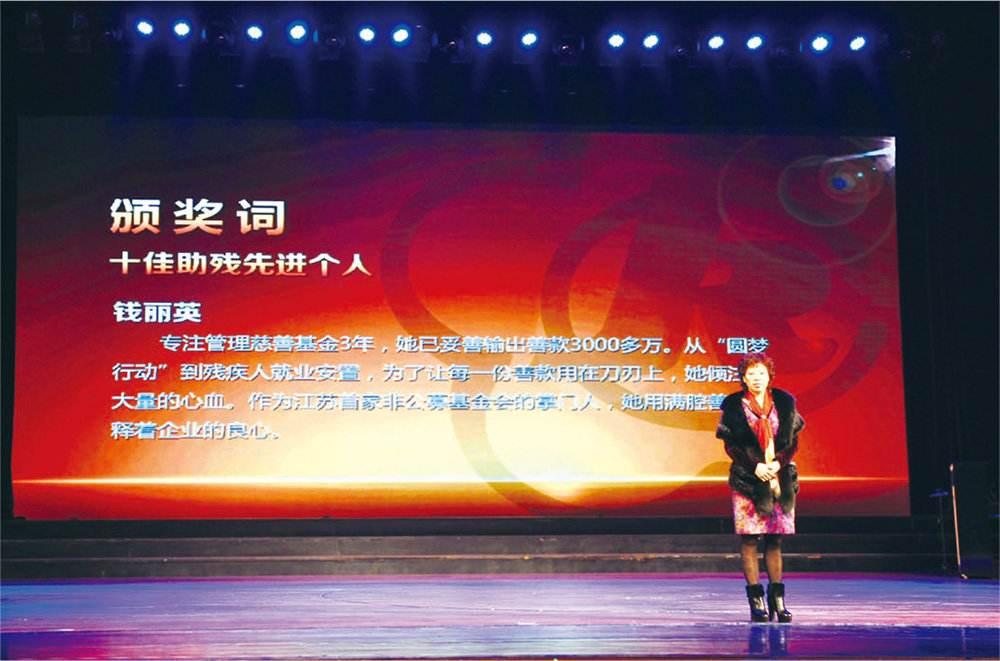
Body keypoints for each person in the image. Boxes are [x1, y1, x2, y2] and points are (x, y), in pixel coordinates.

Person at [716, 353, 804, 623]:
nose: (757, 378)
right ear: (744, 378)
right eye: (751, 373)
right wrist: (754, 467)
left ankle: (778, 600)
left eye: (761, 373)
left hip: (779, 479)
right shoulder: (734, 406)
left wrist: (777, 463)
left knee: (775, 539)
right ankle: (756, 602)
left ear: (769, 376)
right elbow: (731, 445)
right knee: (750, 539)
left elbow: (792, 441)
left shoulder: (784, 403)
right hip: (747, 480)